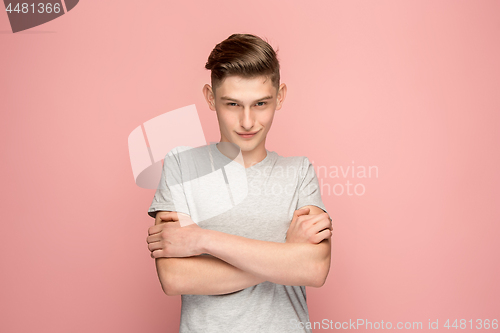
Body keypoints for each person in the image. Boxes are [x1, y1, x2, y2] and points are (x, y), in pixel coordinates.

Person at [146, 33, 333, 333]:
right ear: (210, 97)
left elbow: (314, 268)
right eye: (232, 104)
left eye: (260, 103)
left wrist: (202, 240)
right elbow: (174, 277)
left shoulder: (299, 171)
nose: (247, 121)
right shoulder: (181, 166)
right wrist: (285, 257)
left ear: (280, 96)